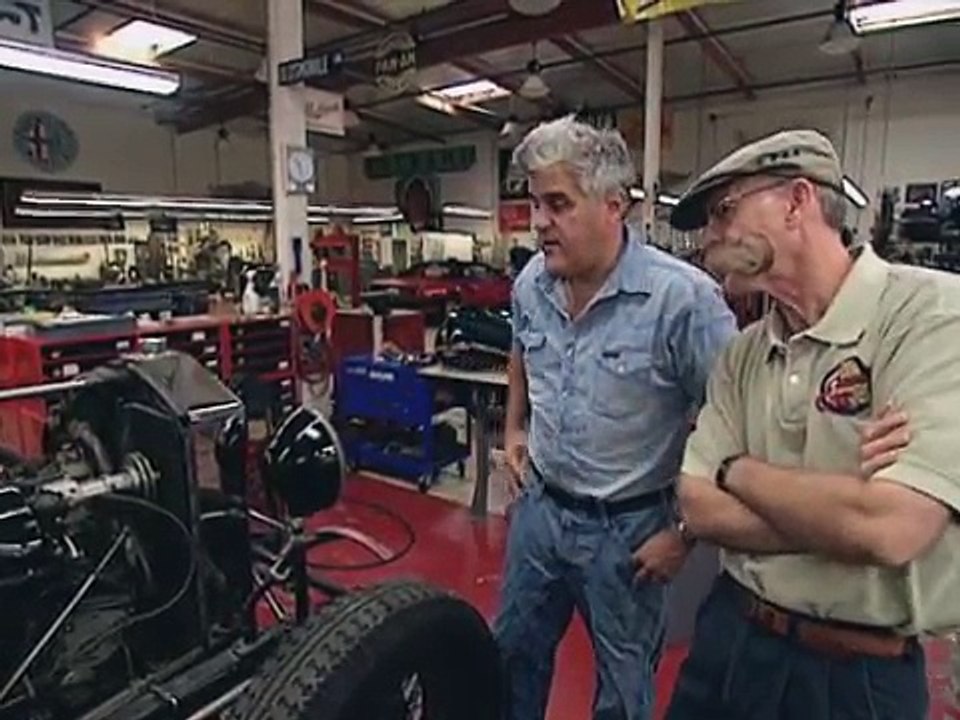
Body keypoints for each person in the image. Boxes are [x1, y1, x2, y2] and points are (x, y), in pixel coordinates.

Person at [665, 128, 960, 719]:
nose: (711, 239)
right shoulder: (741, 353)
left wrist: (738, 469)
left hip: (858, 675)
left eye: (725, 212)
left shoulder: (930, 316)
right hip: (731, 639)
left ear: (798, 202)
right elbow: (697, 503)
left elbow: (892, 528)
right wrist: (842, 510)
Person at [495, 115, 738, 720]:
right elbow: (521, 349)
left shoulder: (683, 302)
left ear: (614, 206)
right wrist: (514, 427)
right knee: (510, 663)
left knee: (624, 693)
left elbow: (733, 426)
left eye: (558, 204)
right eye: (534, 204)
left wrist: (685, 533)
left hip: (628, 534)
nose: (541, 223)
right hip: (540, 515)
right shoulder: (532, 282)